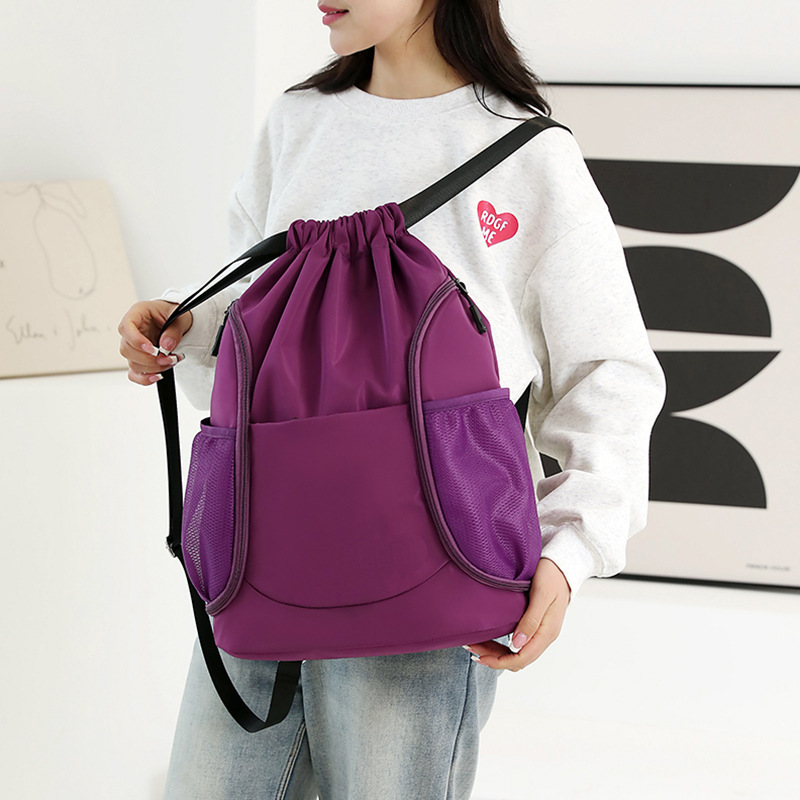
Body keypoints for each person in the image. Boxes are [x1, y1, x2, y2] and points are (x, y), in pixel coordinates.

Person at [118, 1, 666, 797]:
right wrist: (185, 323)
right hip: (262, 542)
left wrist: (572, 548)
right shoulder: (299, 122)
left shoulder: (525, 150)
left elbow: (608, 369)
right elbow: (261, 313)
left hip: (432, 567)